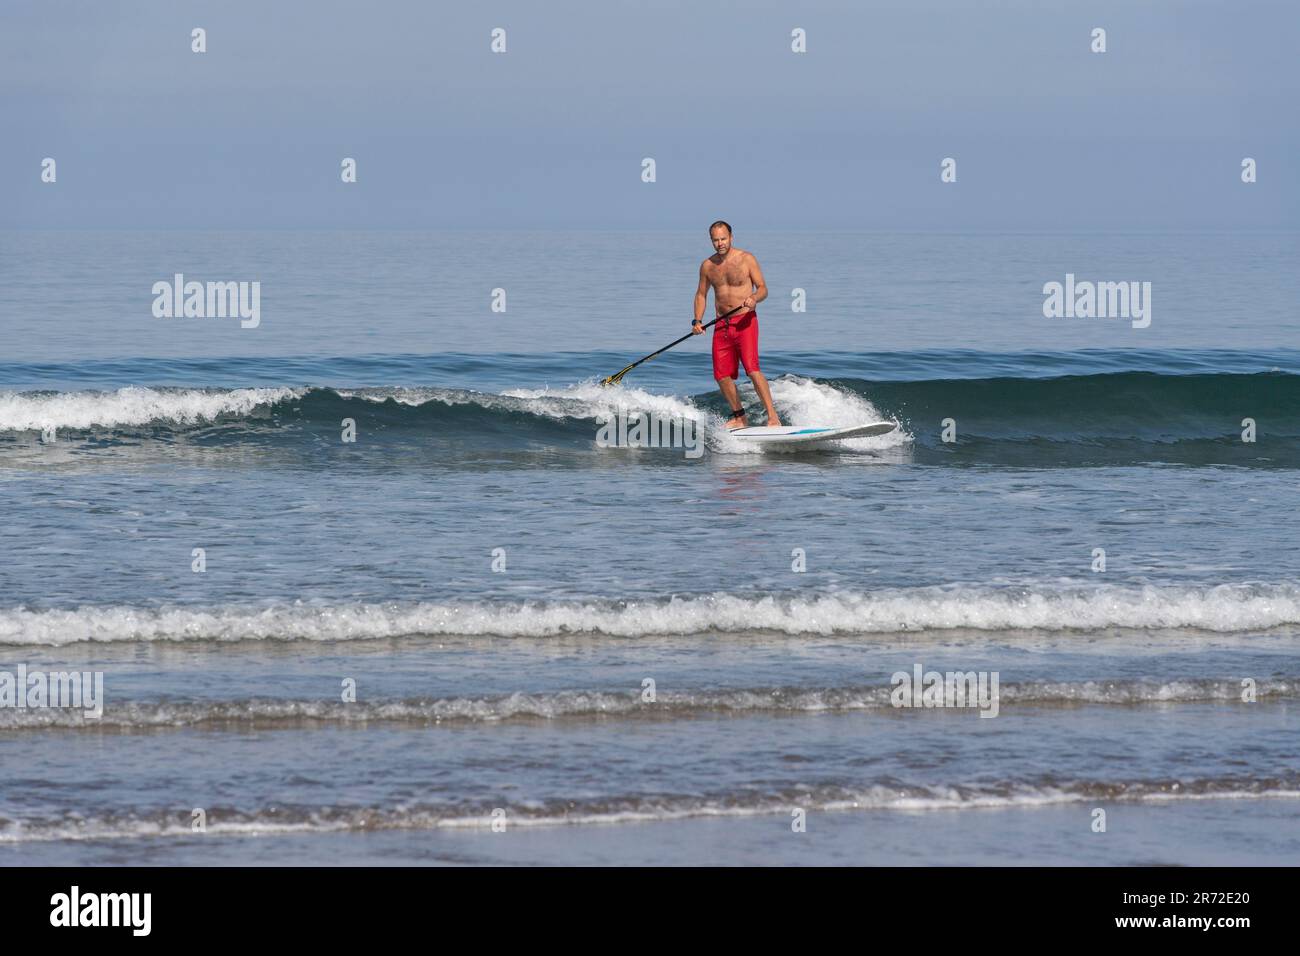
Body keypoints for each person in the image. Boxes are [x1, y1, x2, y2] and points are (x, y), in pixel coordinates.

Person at [692, 220, 782, 429]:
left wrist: (754, 298)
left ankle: (772, 416)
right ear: (711, 241)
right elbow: (701, 295)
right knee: (721, 375)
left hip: (745, 322)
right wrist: (697, 320)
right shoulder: (707, 266)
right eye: (716, 240)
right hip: (721, 325)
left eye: (723, 238)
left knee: (752, 368)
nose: (720, 243)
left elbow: (763, 288)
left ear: (731, 237)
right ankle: (740, 417)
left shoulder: (746, 259)